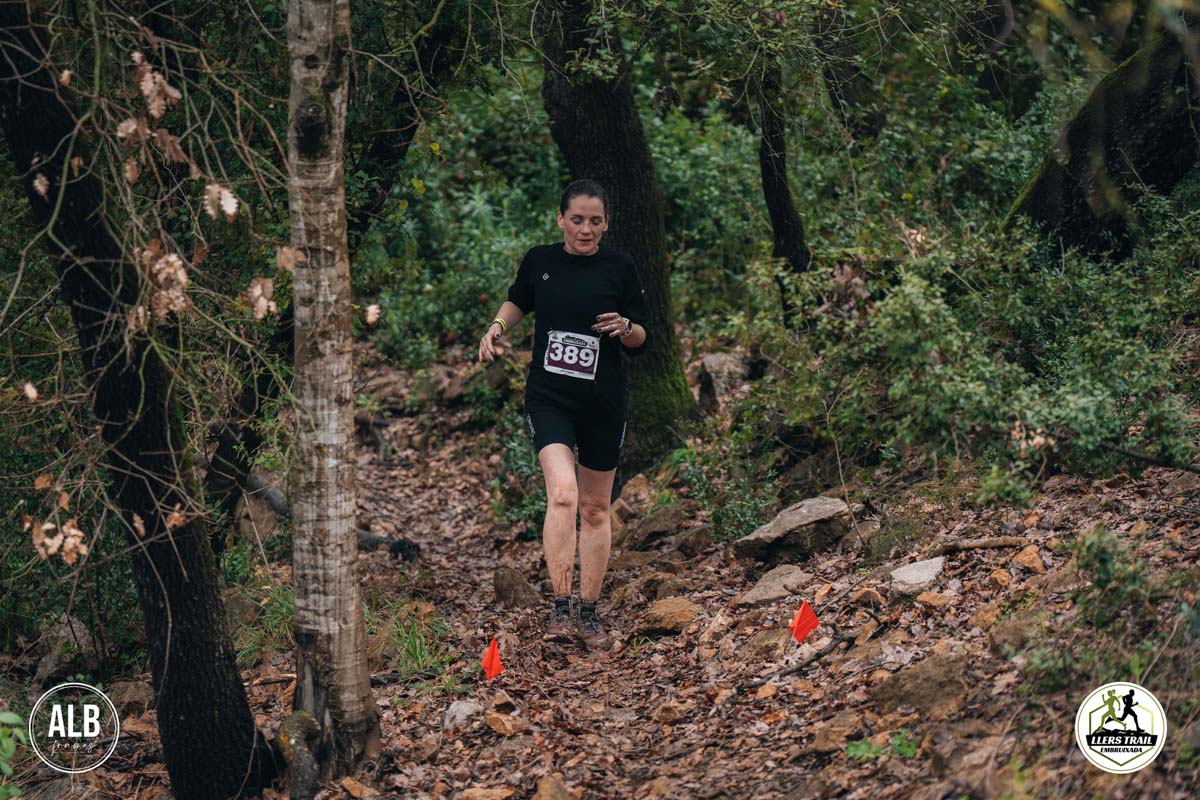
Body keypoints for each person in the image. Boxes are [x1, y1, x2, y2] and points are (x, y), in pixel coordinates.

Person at [478, 179, 650, 651]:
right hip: (550, 398)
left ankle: (589, 612)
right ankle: (559, 607)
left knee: (595, 507)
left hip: (603, 404)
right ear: (561, 220)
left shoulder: (620, 267)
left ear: (606, 223)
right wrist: (496, 327)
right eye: (577, 220)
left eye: (595, 221)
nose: (585, 229)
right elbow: (518, 300)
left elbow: (642, 337)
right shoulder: (541, 261)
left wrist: (626, 326)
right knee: (563, 495)